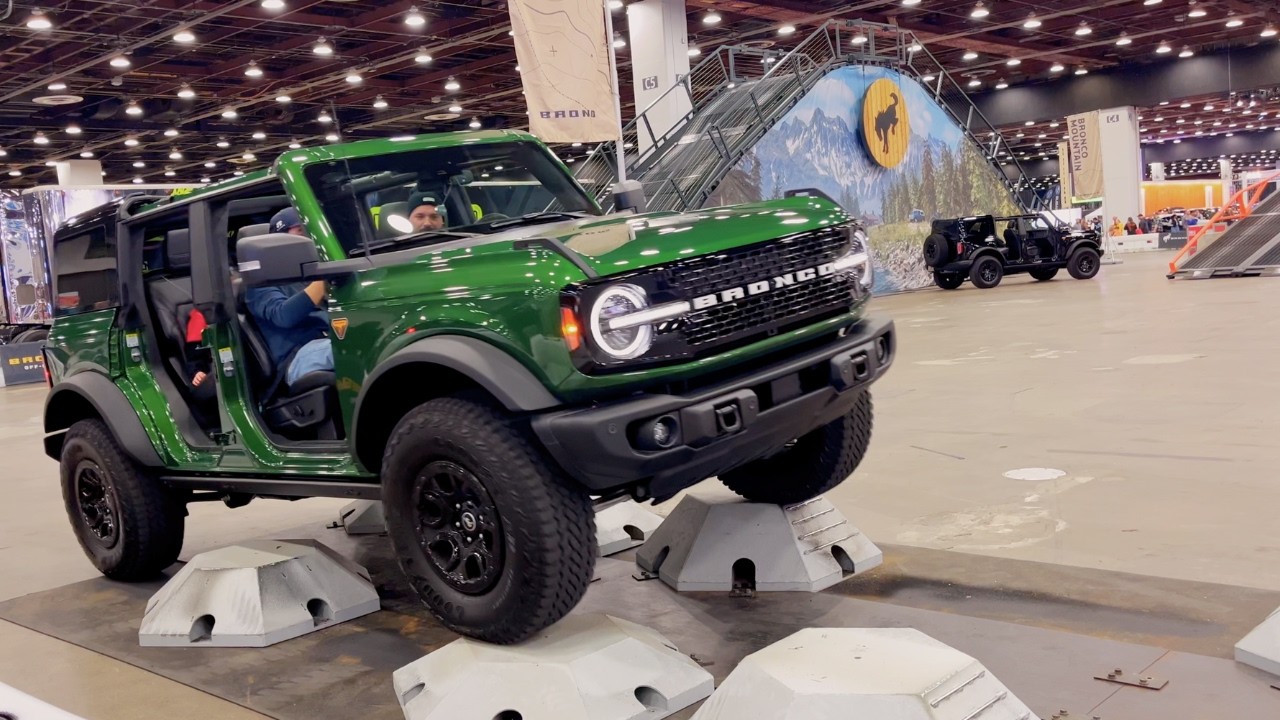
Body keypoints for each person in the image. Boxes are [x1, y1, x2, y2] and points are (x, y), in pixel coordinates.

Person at [245, 208, 333, 389]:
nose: (309, 237)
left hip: (330, 339)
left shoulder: (307, 276)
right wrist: (323, 279)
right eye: (300, 230)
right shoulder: (259, 284)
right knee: (353, 351)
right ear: (279, 241)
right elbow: (283, 315)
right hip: (299, 356)